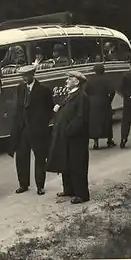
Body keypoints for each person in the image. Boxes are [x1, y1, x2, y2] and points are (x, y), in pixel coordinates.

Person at [8, 65, 54, 195]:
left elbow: (50, 109)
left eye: (26, 76)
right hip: (22, 129)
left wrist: (42, 123)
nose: (23, 78)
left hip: (37, 129)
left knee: (39, 156)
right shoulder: (20, 88)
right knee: (21, 157)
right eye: (22, 76)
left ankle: (40, 185)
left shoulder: (43, 90)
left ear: (32, 75)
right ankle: (23, 184)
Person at [47, 71, 91, 204]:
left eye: (69, 78)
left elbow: (81, 118)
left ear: (76, 81)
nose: (66, 81)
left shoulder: (81, 96)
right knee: (66, 163)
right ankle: (69, 189)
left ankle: (81, 194)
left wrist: (68, 131)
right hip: (67, 137)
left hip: (76, 138)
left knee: (77, 165)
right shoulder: (70, 95)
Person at [83, 63, 116, 149]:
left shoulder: (89, 80)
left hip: (92, 103)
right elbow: (112, 91)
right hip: (104, 101)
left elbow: (84, 92)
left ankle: (96, 142)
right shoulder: (106, 80)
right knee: (107, 121)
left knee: (94, 122)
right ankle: (109, 140)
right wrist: (109, 100)